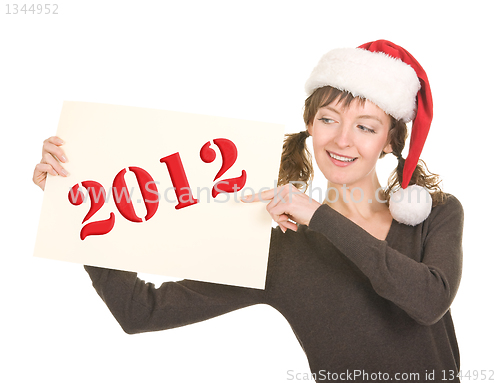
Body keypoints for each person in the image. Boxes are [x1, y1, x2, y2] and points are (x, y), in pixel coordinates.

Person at [33, 40, 463, 382]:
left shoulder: (435, 216)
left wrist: (320, 215)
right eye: (329, 120)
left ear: (390, 141)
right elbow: (139, 311)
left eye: (366, 127)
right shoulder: (281, 247)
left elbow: (428, 301)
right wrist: (73, 200)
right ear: (310, 126)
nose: (343, 140)